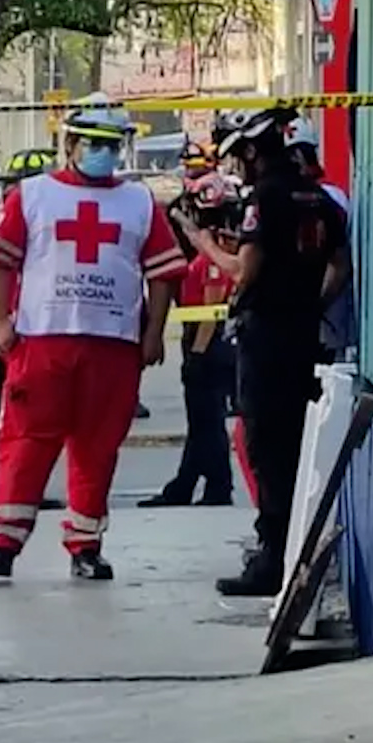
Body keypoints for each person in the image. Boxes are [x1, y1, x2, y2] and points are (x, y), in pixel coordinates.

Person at [0, 94, 186, 581]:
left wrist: (154, 333)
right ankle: (3, 545)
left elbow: (163, 273)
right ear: (70, 143)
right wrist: (0, 323)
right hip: (42, 342)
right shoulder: (32, 195)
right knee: (25, 444)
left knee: (98, 448)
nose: (104, 154)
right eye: (94, 143)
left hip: (112, 347)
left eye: (112, 145)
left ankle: (85, 546)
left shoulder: (139, 202)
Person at [183, 107, 350, 597]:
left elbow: (244, 270)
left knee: (266, 446)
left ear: (254, 151)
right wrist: (311, 304)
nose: (236, 166)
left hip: (267, 338)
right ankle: (291, 550)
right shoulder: (317, 197)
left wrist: (203, 243)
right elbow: (339, 265)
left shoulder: (266, 197)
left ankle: (273, 558)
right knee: (296, 445)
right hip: (305, 335)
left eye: (238, 156)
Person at [141, 172, 239, 508]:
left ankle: (216, 487)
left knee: (207, 423)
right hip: (206, 345)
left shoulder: (212, 257)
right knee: (202, 424)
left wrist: (197, 356)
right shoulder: (212, 251)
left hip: (208, 349)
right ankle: (188, 485)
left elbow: (211, 309)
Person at [284, 118, 356, 361]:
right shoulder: (324, 194)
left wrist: (315, 307)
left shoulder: (325, 198)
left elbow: (338, 262)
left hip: (328, 326)